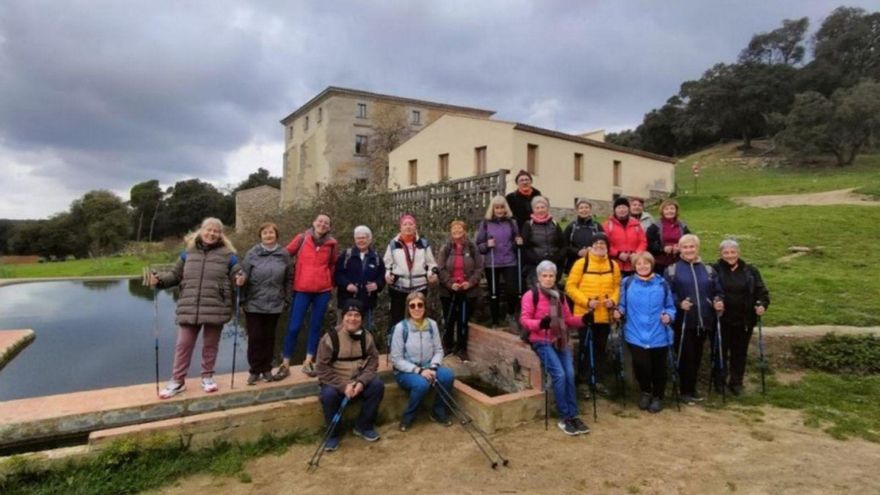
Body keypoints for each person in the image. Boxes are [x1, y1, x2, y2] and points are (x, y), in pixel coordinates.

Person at [150, 217, 246, 399]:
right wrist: (160, 280)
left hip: (215, 306)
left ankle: (207, 377)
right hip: (190, 306)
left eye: (216, 231)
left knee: (210, 345)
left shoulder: (228, 255)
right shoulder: (187, 254)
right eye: (209, 230)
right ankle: (177, 381)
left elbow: (238, 273)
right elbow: (174, 275)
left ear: (220, 235)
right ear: (201, 231)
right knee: (183, 345)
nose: (212, 233)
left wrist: (240, 278)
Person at [520, 261, 590, 436]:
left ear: (555, 277)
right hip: (541, 339)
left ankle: (574, 415)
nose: (548, 278)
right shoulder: (531, 295)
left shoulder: (560, 296)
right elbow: (524, 319)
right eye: (545, 275)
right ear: (539, 277)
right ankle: (564, 417)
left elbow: (567, 319)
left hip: (560, 339)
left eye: (551, 275)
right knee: (559, 374)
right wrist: (540, 324)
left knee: (570, 374)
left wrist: (583, 320)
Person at [274, 214, 338, 381]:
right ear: (314, 223)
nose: (322, 224)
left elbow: (332, 264)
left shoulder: (332, 244)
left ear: (329, 227)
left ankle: (308, 361)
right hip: (301, 289)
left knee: (315, 327)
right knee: (294, 327)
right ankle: (285, 363)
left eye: (326, 223)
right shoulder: (301, 238)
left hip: (322, 291)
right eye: (320, 221)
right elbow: (285, 254)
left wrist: (328, 281)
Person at [315, 299, 384, 451]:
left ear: (362, 318)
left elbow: (373, 362)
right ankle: (333, 434)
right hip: (336, 384)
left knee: (377, 385)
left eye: (357, 315)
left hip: (358, 382)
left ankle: (363, 426)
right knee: (328, 395)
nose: (352, 319)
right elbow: (321, 368)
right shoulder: (330, 338)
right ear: (343, 316)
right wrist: (343, 386)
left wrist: (361, 382)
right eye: (349, 315)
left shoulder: (367, 337)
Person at [663, 234, 724, 405]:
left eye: (692, 247)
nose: (689, 250)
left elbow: (717, 291)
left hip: (704, 319)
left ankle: (693, 388)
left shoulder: (708, 269)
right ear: (680, 249)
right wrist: (678, 303)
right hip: (683, 321)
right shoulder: (672, 270)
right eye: (685, 247)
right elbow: (668, 293)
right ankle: (684, 390)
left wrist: (718, 301)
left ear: (697, 248)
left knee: (697, 356)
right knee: (685, 356)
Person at [614, 252, 676, 413]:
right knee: (641, 366)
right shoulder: (627, 283)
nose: (642, 266)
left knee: (659, 367)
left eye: (646, 263)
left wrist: (668, 316)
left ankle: (658, 396)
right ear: (634, 266)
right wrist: (618, 312)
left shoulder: (662, 283)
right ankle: (646, 392)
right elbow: (622, 304)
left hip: (658, 332)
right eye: (639, 264)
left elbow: (670, 307)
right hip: (635, 332)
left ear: (651, 264)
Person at [390, 292, 455, 431]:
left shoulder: (432, 325)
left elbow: (438, 350)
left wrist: (433, 367)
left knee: (448, 376)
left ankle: (438, 411)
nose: (416, 308)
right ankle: (408, 417)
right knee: (421, 384)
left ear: (425, 307)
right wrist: (419, 371)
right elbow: (396, 359)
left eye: (420, 305)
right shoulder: (401, 328)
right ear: (407, 308)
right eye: (412, 306)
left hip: (428, 367)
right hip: (406, 371)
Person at [564, 233, 620, 396]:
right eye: (596, 244)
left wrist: (613, 301)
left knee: (600, 348)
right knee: (585, 348)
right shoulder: (581, 263)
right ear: (589, 247)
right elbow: (570, 287)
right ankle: (583, 381)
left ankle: (597, 380)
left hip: (605, 315)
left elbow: (617, 287)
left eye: (603, 244)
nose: (599, 247)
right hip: (586, 314)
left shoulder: (613, 265)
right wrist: (586, 302)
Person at [712, 239, 770, 396]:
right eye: (726, 252)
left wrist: (762, 305)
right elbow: (710, 291)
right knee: (720, 351)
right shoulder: (714, 269)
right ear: (721, 254)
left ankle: (736, 382)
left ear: (739, 253)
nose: (730, 255)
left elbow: (761, 291)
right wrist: (715, 302)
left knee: (740, 352)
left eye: (733, 252)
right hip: (723, 319)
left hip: (744, 319)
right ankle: (719, 382)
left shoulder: (750, 270)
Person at [240, 222, 291, 385]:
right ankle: (255, 370)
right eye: (265, 233)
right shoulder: (252, 254)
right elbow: (243, 277)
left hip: (275, 303)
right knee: (255, 337)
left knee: (269, 337)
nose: (268, 235)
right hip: (254, 303)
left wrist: (287, 298)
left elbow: (289, 278)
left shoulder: (284, 254)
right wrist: (241, 298)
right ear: (260, 236)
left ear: (276, 235)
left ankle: (267, 369)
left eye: (271, 233)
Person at [437, 220, 483, 360]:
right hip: (449, 290)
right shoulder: (446, 247)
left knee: (463, 320)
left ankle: (462, 348)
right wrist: (450, 284)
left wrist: (470, 283)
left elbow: (479, 268)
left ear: (464, 230)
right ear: (451, 232)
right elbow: (441, 268)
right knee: (449, 319)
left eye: (460, 229)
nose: (457, 231)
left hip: (467, 290)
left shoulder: (472, 247)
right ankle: (447, 346)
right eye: (454, 229)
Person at [475, 195, 523, 326]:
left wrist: (518, 242)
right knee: (493, 292)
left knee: (513, 290)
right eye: (497, 207)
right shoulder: (485, 223)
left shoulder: (511, 223)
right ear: (493, 209)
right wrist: (487, 245)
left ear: (505, 208)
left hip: (509, 260)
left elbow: (515, 240)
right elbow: (479, 245)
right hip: (492, 262)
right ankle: (495, 320)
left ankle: (510, 314)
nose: (500, 210)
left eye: (502, 207)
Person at [384, 214, 438, 327]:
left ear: (415, 227)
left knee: (418, 318)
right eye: (405, 224)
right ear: (400, 227)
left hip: (419, 288)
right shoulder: (393, 244)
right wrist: (388, 275)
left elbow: (431, 264)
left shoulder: (423, 243)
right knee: (397, 319)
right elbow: (387, 264)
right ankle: (396, 343)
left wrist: (431, 273)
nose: (408, 227)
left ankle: (418, 342)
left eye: (411, 224)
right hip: (398, 288)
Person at [334, 225, 386, 329]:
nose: (361, 240)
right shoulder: (346, 255)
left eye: (364, 238)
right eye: (358, 238)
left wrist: (377, 285)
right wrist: (347, 284)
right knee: (343, 332)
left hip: (367, 302)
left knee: (364, 332)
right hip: (346, 301)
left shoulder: (376, 258)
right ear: (354, 239)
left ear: (369, 239)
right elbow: (337, 274)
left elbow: (382, 277)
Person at [521, 196, 564, 286]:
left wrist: (557, 257)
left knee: (552, 290)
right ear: (533, 209)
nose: (540, 210)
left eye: (543, 207)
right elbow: (525, 246)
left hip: (553, 263)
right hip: (535, 265)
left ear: (547, 208)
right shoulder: (528, 224)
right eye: (537, 208)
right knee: (537, 290)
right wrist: (535, 259)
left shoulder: (554, 224)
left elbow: (563, 244)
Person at [603, 197, 647, 277]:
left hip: (634, 264)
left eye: (624, 207)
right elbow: (605, 243)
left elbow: (643, 241)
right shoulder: (608, 225)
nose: (621, 210)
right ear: (615, 210)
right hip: (615, 265)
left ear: (628, 209)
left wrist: (636, 254)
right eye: (619, 207)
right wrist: (618, 254)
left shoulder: (636, 224)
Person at [646, 199, 690, 274]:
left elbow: (689, 240)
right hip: (660, 263)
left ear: (676, 211)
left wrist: (680, 247)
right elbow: (649, 243)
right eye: (666, 209)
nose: (669, 211)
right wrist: (663, 248)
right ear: (662, 211)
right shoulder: (655, 226)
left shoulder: (682, 226)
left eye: (672, 208)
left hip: (679, 261)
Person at [562, 198, 604, 273]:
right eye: (581, 208)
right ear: (577, 210)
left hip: (593, 265)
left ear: (590, 209)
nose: (584, 210)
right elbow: (564, 246)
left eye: (586, 207)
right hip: (574, 265)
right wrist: (577, 251)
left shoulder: (597, 227)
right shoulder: (571, 227)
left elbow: (604, 245)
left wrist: (592, 250)